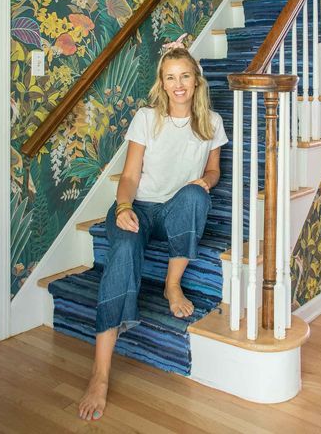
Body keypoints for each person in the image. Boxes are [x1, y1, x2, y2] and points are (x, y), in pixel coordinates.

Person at [79, 46, 228, 421]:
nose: (178, 84)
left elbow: (214, 171)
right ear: (162, 83)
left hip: (176, 209)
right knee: (124, 250)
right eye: (170, 77)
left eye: (185, 76)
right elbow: (129, 176)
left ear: (196, 80)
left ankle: (171, 285)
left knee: (195, 195)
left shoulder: (211, 121)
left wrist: (204, 183)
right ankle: (99, 373)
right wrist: (125, 207)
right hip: (139, 209)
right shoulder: (147, 118)